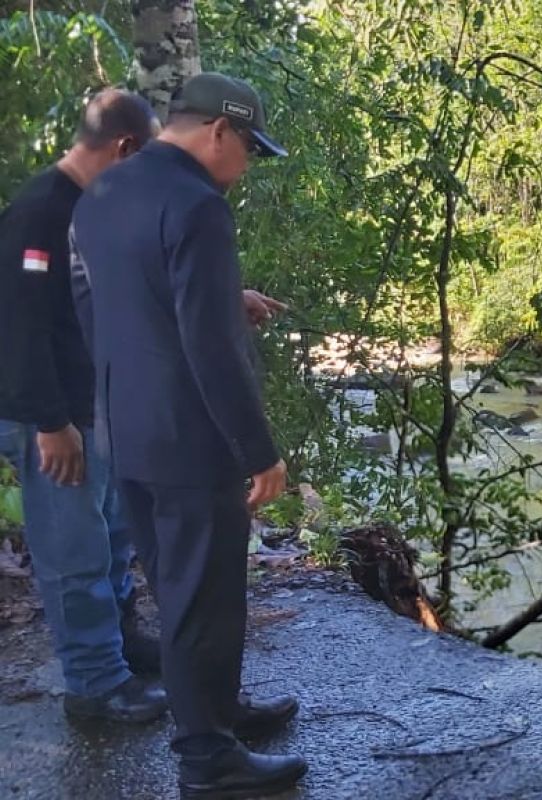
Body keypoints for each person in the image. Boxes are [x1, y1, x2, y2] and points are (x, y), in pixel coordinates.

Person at [71, 73, 306, 798]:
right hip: (188, 435)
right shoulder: (199, 206)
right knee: (204, 593)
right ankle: (208, 760)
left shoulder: (106, 190)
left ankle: (219, 711)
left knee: (179, 586)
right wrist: (257, 450)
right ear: (219, 132)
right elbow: (210, 346)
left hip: (125, 426)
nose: (248, 169)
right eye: (251, 152)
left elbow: (100, 303)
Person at [0, 90, 168, 723]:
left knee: (112, 537)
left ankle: (118, 647)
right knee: (73, 551)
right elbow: (18, 327)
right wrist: (50, 423)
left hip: (97, 407)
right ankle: (94, 685)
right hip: (52, 417)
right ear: (123, 148)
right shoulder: (40, 212)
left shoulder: (88, 208)